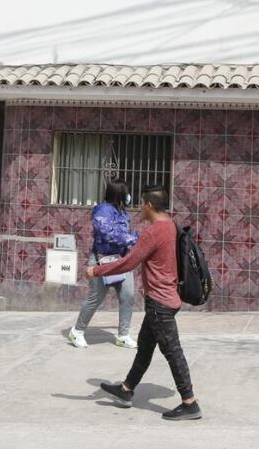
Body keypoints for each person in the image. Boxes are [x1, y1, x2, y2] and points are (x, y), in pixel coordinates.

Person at [86, 186, 201, 421]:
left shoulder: (153, 232)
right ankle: (127, 390)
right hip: (164, 298)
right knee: (145, 346)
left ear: (149, 205)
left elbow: (128, 263)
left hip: (161, 302)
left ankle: (189, 402)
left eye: (141, 203)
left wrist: (96, 271)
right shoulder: (170, 225)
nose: (139, 207)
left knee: (172, 351)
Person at [68, 179, 139, 349]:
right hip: (102, 261)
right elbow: (107, 233)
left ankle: (123, 335)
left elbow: (124, 233)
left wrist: (134, 239)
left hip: (121, 260)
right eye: (126, 192)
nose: (129, 196)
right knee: (95, 298)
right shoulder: (102, 210)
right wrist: (133, 238)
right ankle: (77, 331)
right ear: (119, 193)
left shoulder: (122, 211)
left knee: (128, 296)